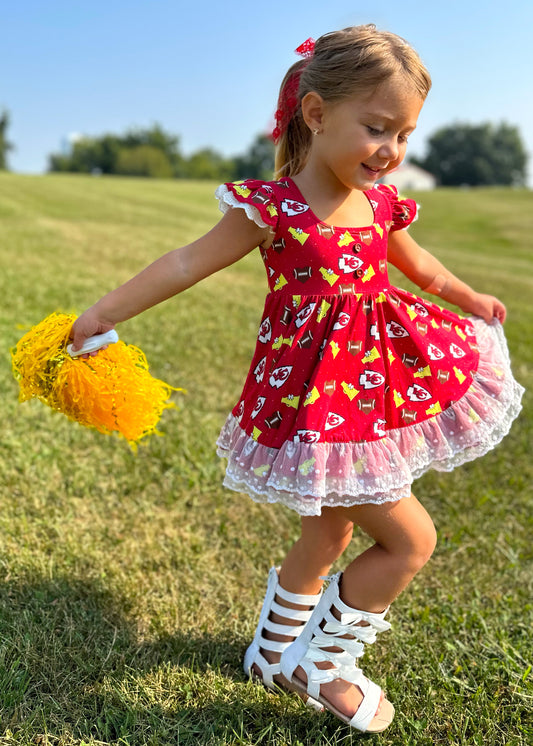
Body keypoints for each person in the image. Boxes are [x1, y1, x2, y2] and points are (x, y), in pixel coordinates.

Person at [70, 25, 524, 733]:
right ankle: (322, 663)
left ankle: (271, 650)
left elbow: (421, 266)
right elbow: (185, 263)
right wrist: (101, 312)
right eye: (376, 128)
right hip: (317, 404)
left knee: (329, 537)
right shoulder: (273, 206)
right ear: (315, 114)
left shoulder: (379, 203)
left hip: (374, 395)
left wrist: (465, 298)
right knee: (409, 541)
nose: (391, 151)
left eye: (403, 134)